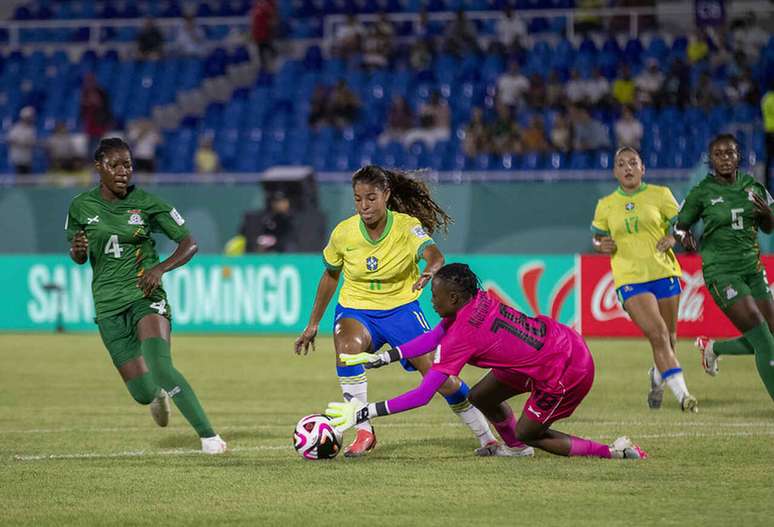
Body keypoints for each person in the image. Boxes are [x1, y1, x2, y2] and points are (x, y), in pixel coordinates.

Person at [326, 263, 648, 460]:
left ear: (452, 299)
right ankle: (515, 452)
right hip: (553, 343)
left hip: (566, 368)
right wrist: (384, 358)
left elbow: (423, 395)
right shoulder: (473, 300)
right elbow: (433, 336)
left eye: (434, 296)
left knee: (529, 431)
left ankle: (612, 451)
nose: (431, 301)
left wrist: (364, 411)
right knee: (479, 396)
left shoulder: (462, 334)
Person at [294, 166, 497, 457]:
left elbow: (435, 255)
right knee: (348, 351)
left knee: (440, 377)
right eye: (358, 199)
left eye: (371, 198)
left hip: (401, 310)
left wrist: (430, 271)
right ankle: (364, 431)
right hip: (356, 309)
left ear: (386, 195)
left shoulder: (406, 226)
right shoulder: (344, 233)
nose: (364, 206)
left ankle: (486, 436)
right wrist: (313, 324)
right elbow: (330, 276)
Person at [65, 138, 226, 454]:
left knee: (161, 366)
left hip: (145, 295)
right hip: (109, 305)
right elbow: (79, 254)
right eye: (115, 165)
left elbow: (189, 243)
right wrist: (77, 251)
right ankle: (156, 395)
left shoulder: (149, 204)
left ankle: (210, 438)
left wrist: (161, 269)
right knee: (142, 391)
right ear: (99, 167)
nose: (123, 171)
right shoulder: (80, 206)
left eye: (127, 164)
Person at [592, 147, 698, 412]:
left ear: (642, 168)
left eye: (633, 163)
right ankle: (684, 396)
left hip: (664, 271)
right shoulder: (606, 204)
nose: (627, 168)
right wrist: (599, 244)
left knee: (670, 337)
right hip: (630, 277)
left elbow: (682, 225)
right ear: (615, 171)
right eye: (621, 164)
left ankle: (657, 377)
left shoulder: (660, 194)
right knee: (658, 333)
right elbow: (597, 236)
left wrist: (674, 237)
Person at [675, 135, 774, 402]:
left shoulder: (754, 187)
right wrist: (684, 237)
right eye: (719, 154)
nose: (725, 158)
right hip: (721, 271)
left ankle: (713, 346)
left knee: (769, 333)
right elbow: (679, 224)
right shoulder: (702, 192)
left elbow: (769, 227)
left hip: (753, 269)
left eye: (730, 153)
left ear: (738, 156)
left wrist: (767, 215)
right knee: (763, 337)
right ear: (711, 160)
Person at [7, 106, 37, 174]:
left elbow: (32, 142)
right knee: (18, 178)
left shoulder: (32, 129)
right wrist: (21, 142)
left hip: (27, 159)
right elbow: (10, 140)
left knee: (27, 180)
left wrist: (26, 143)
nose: (29, 119)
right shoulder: (15, 128)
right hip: (17, 158)